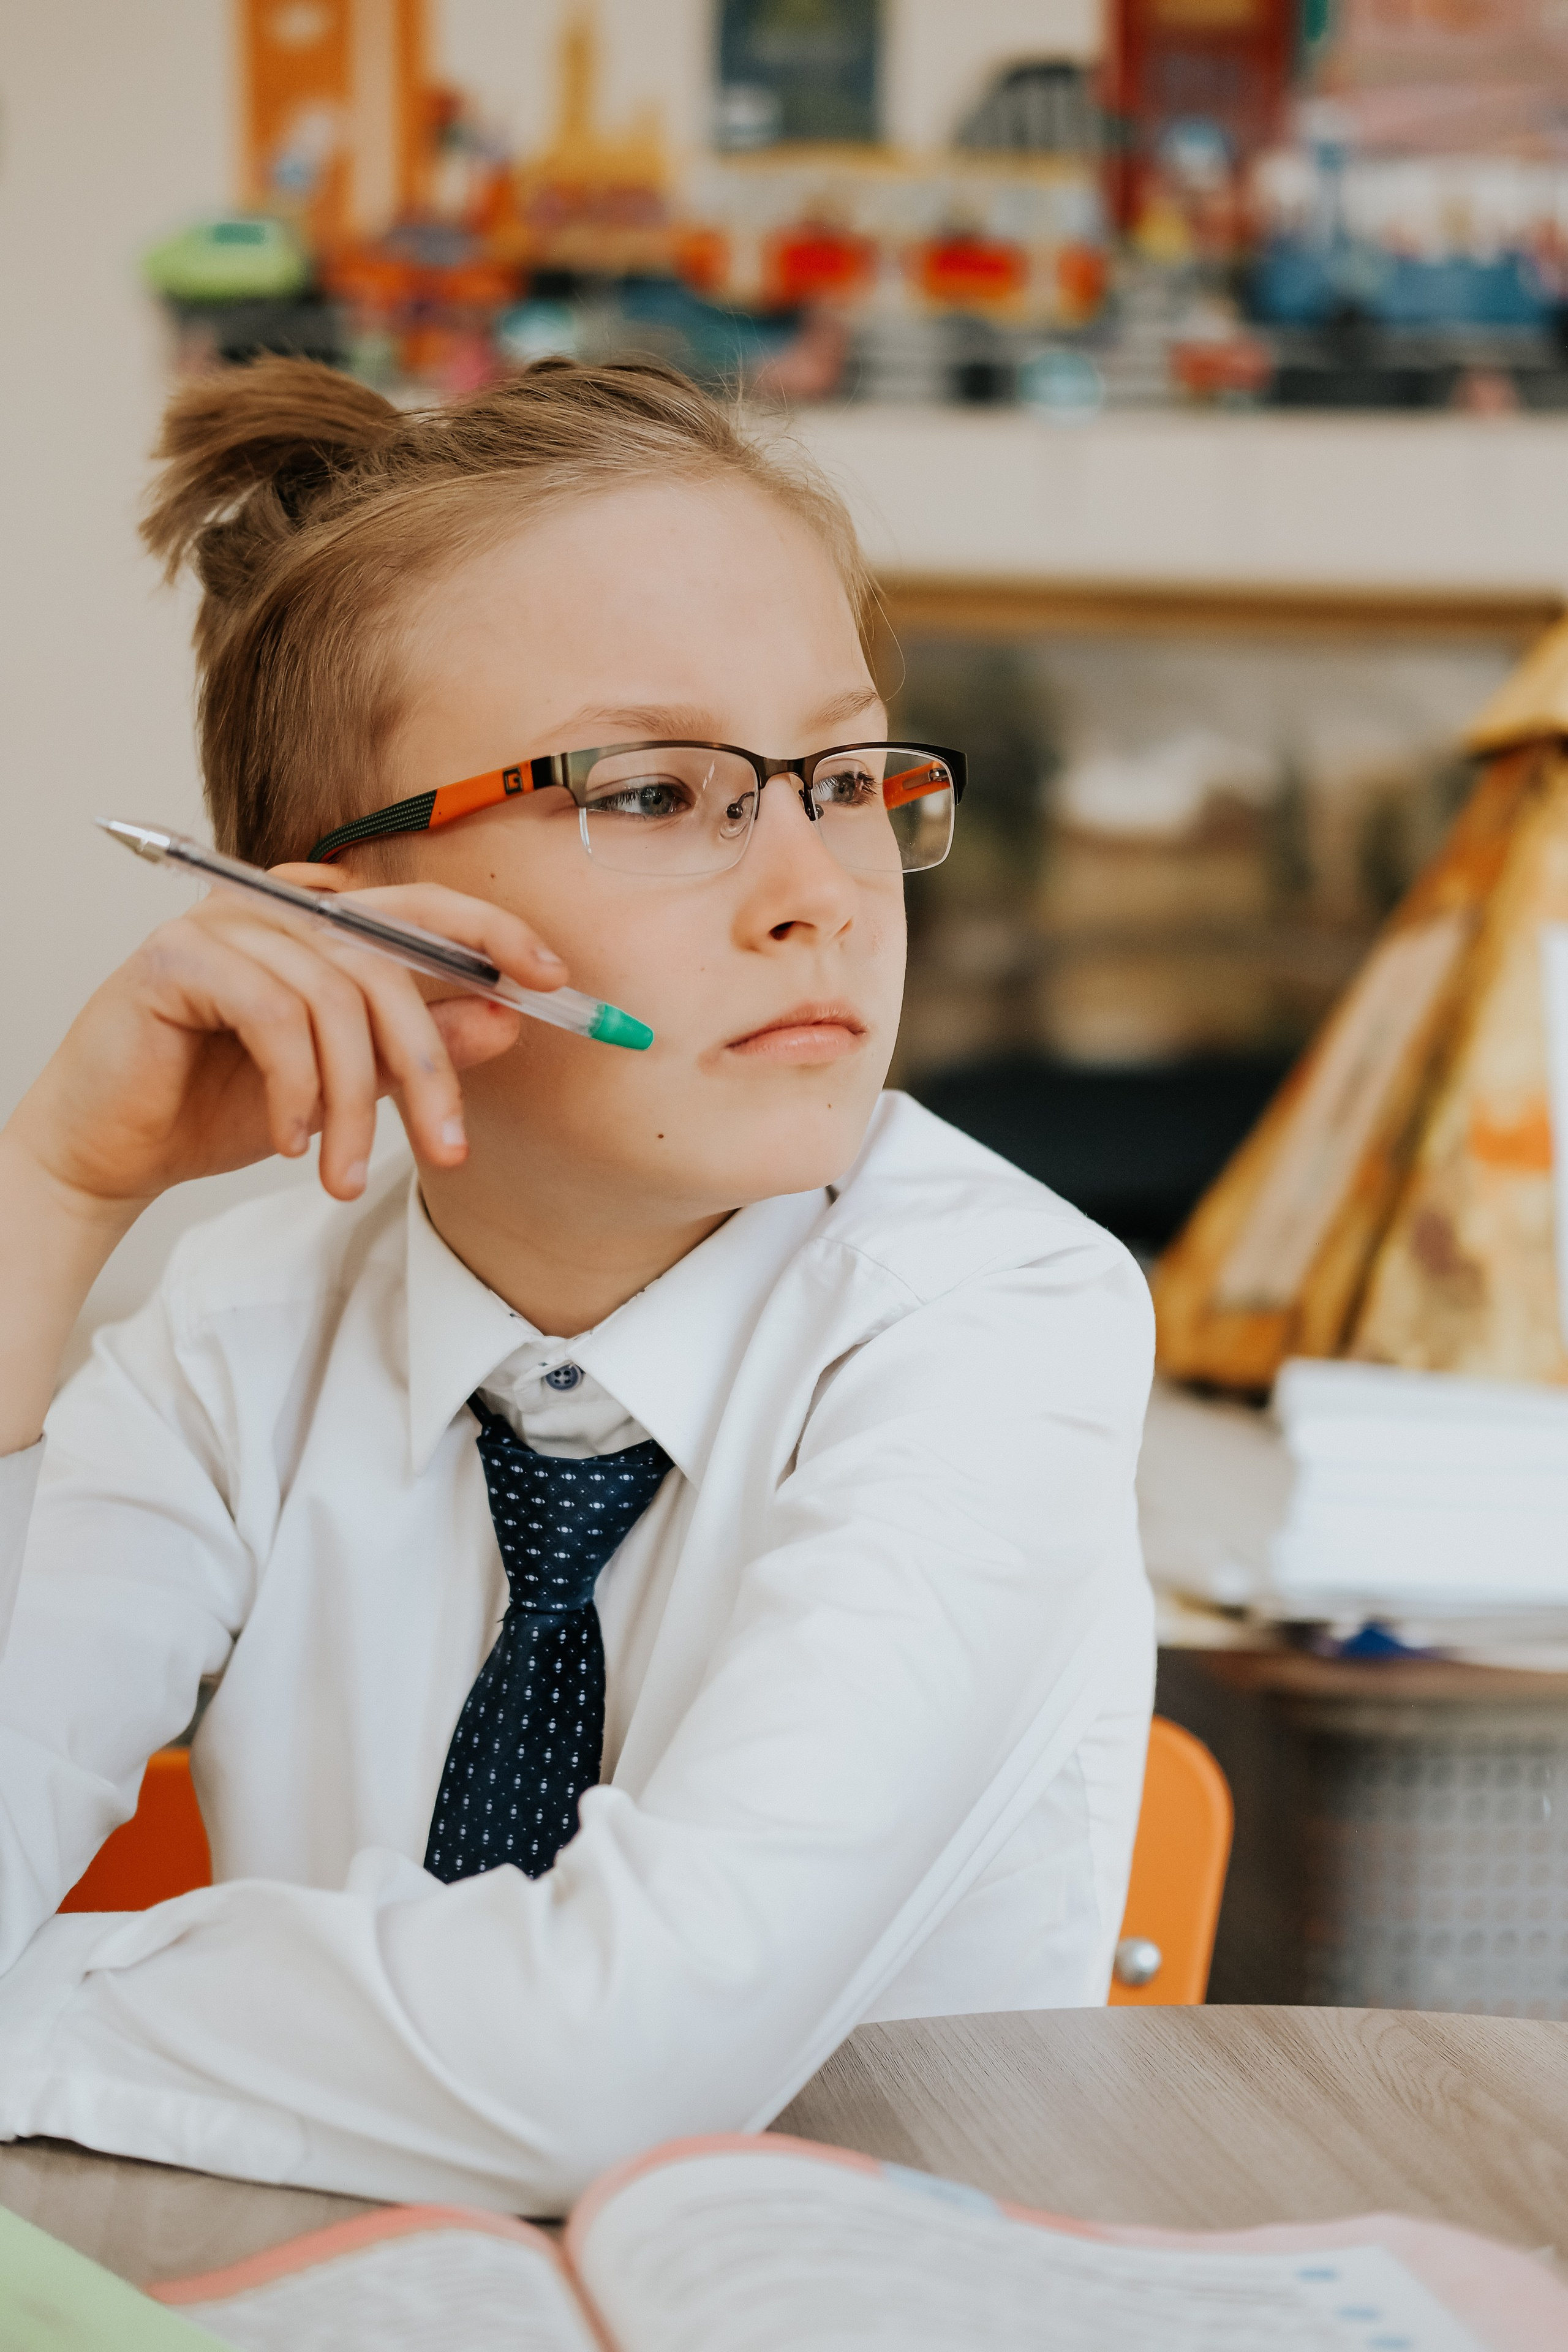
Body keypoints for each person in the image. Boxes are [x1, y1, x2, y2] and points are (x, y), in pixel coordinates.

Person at [0, 358, 1153, 2213]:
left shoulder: (1003, 1316)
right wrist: (51, 1192)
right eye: (661, 792)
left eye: (844, 778)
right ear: (336, 914)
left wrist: (28, 2007)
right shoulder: (233, 1331)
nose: (819, 890)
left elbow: (616, 2068)